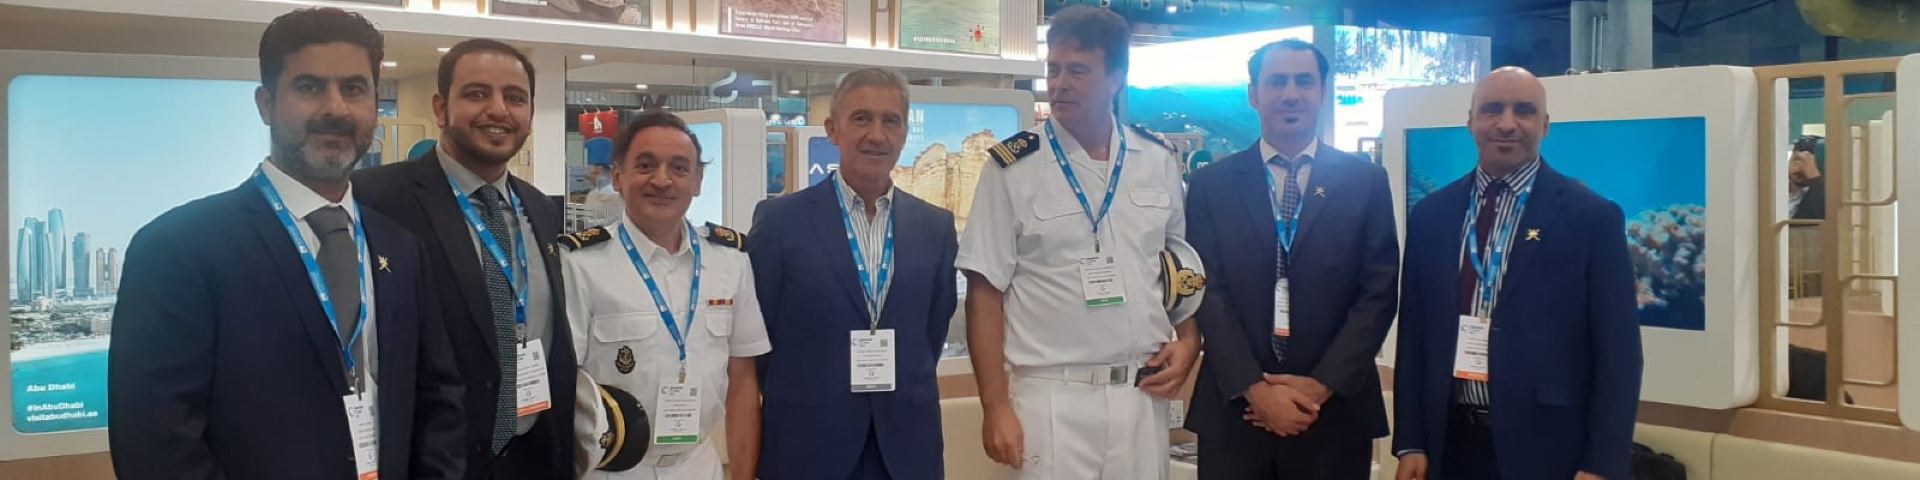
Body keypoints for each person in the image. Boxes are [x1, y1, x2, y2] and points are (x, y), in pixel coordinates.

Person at [107, 7, 465, 480]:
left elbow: (439, 400)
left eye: (354, 88)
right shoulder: (177, 249)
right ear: (266, 104)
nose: (336, 108)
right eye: (309, 87)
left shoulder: (400, 248)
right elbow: (155, 445)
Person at [959, 6, 1201, 479]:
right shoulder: (1013, 167)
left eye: (1078, 71)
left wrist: (1190, 339)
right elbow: (985, 290)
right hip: (1051, 396)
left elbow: (1179, 269)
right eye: (1054, 70)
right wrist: (995, 405)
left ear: (1116, 78)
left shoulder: (1155, 160)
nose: (1060, 84)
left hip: (1140, 393)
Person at [1392, 67, 1642, 480]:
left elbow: (1619, 353)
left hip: (1548, 449)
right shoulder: (1431, 215)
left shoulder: (1591, 217)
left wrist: (1602, 464)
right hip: (1448, 445)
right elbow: (1414, 335)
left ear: (1545, 125)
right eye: (1492, 109)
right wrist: (1411, 441)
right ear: (1471, 122)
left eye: (1524, 111)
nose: (1507, 124)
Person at [353, 38, 577, 480]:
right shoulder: (376, 198)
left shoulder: (540, 208)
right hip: (433, 462)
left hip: (532, 457)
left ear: (531, 114)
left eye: (515, 98)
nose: (498, 110)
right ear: (441, 108)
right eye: (477, 94)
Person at [1184, 39, 1399, 480]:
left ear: (1322, 92)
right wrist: (1255, 389)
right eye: (1276, 81)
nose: (1290, 94)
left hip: (1333, 414)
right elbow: (1208, 292)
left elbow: (1378, 293)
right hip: (1236, 410)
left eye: (1304, 81)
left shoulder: (1365, 182)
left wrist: (1319, 388)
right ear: (1254, 94)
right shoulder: (1211, 185)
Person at [748, 68, 958, 480]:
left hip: (905, 447)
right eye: (861, 118)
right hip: (807, 445)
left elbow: (932, 330)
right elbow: (759, 338)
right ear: (833, 130)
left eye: (890, 121)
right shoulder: (779, 222)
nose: (876, 135)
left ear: (903, 133)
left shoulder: (935, 227)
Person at [562, 111, 770, 480]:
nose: (661, 180)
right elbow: (564, 384)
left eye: (679, 167)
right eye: (645, 165)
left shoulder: (731, 261)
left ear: (697, 181)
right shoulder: (580, 265)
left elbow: (741, 380)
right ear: (618, 176)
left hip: (699, 465)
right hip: (612, 470)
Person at [1788, 136, 1826, 221]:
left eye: (1808, 162)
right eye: (1797, 159)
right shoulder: (1773, 186)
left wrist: (1813, 176)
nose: (1801, 167)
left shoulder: (1817, 194)